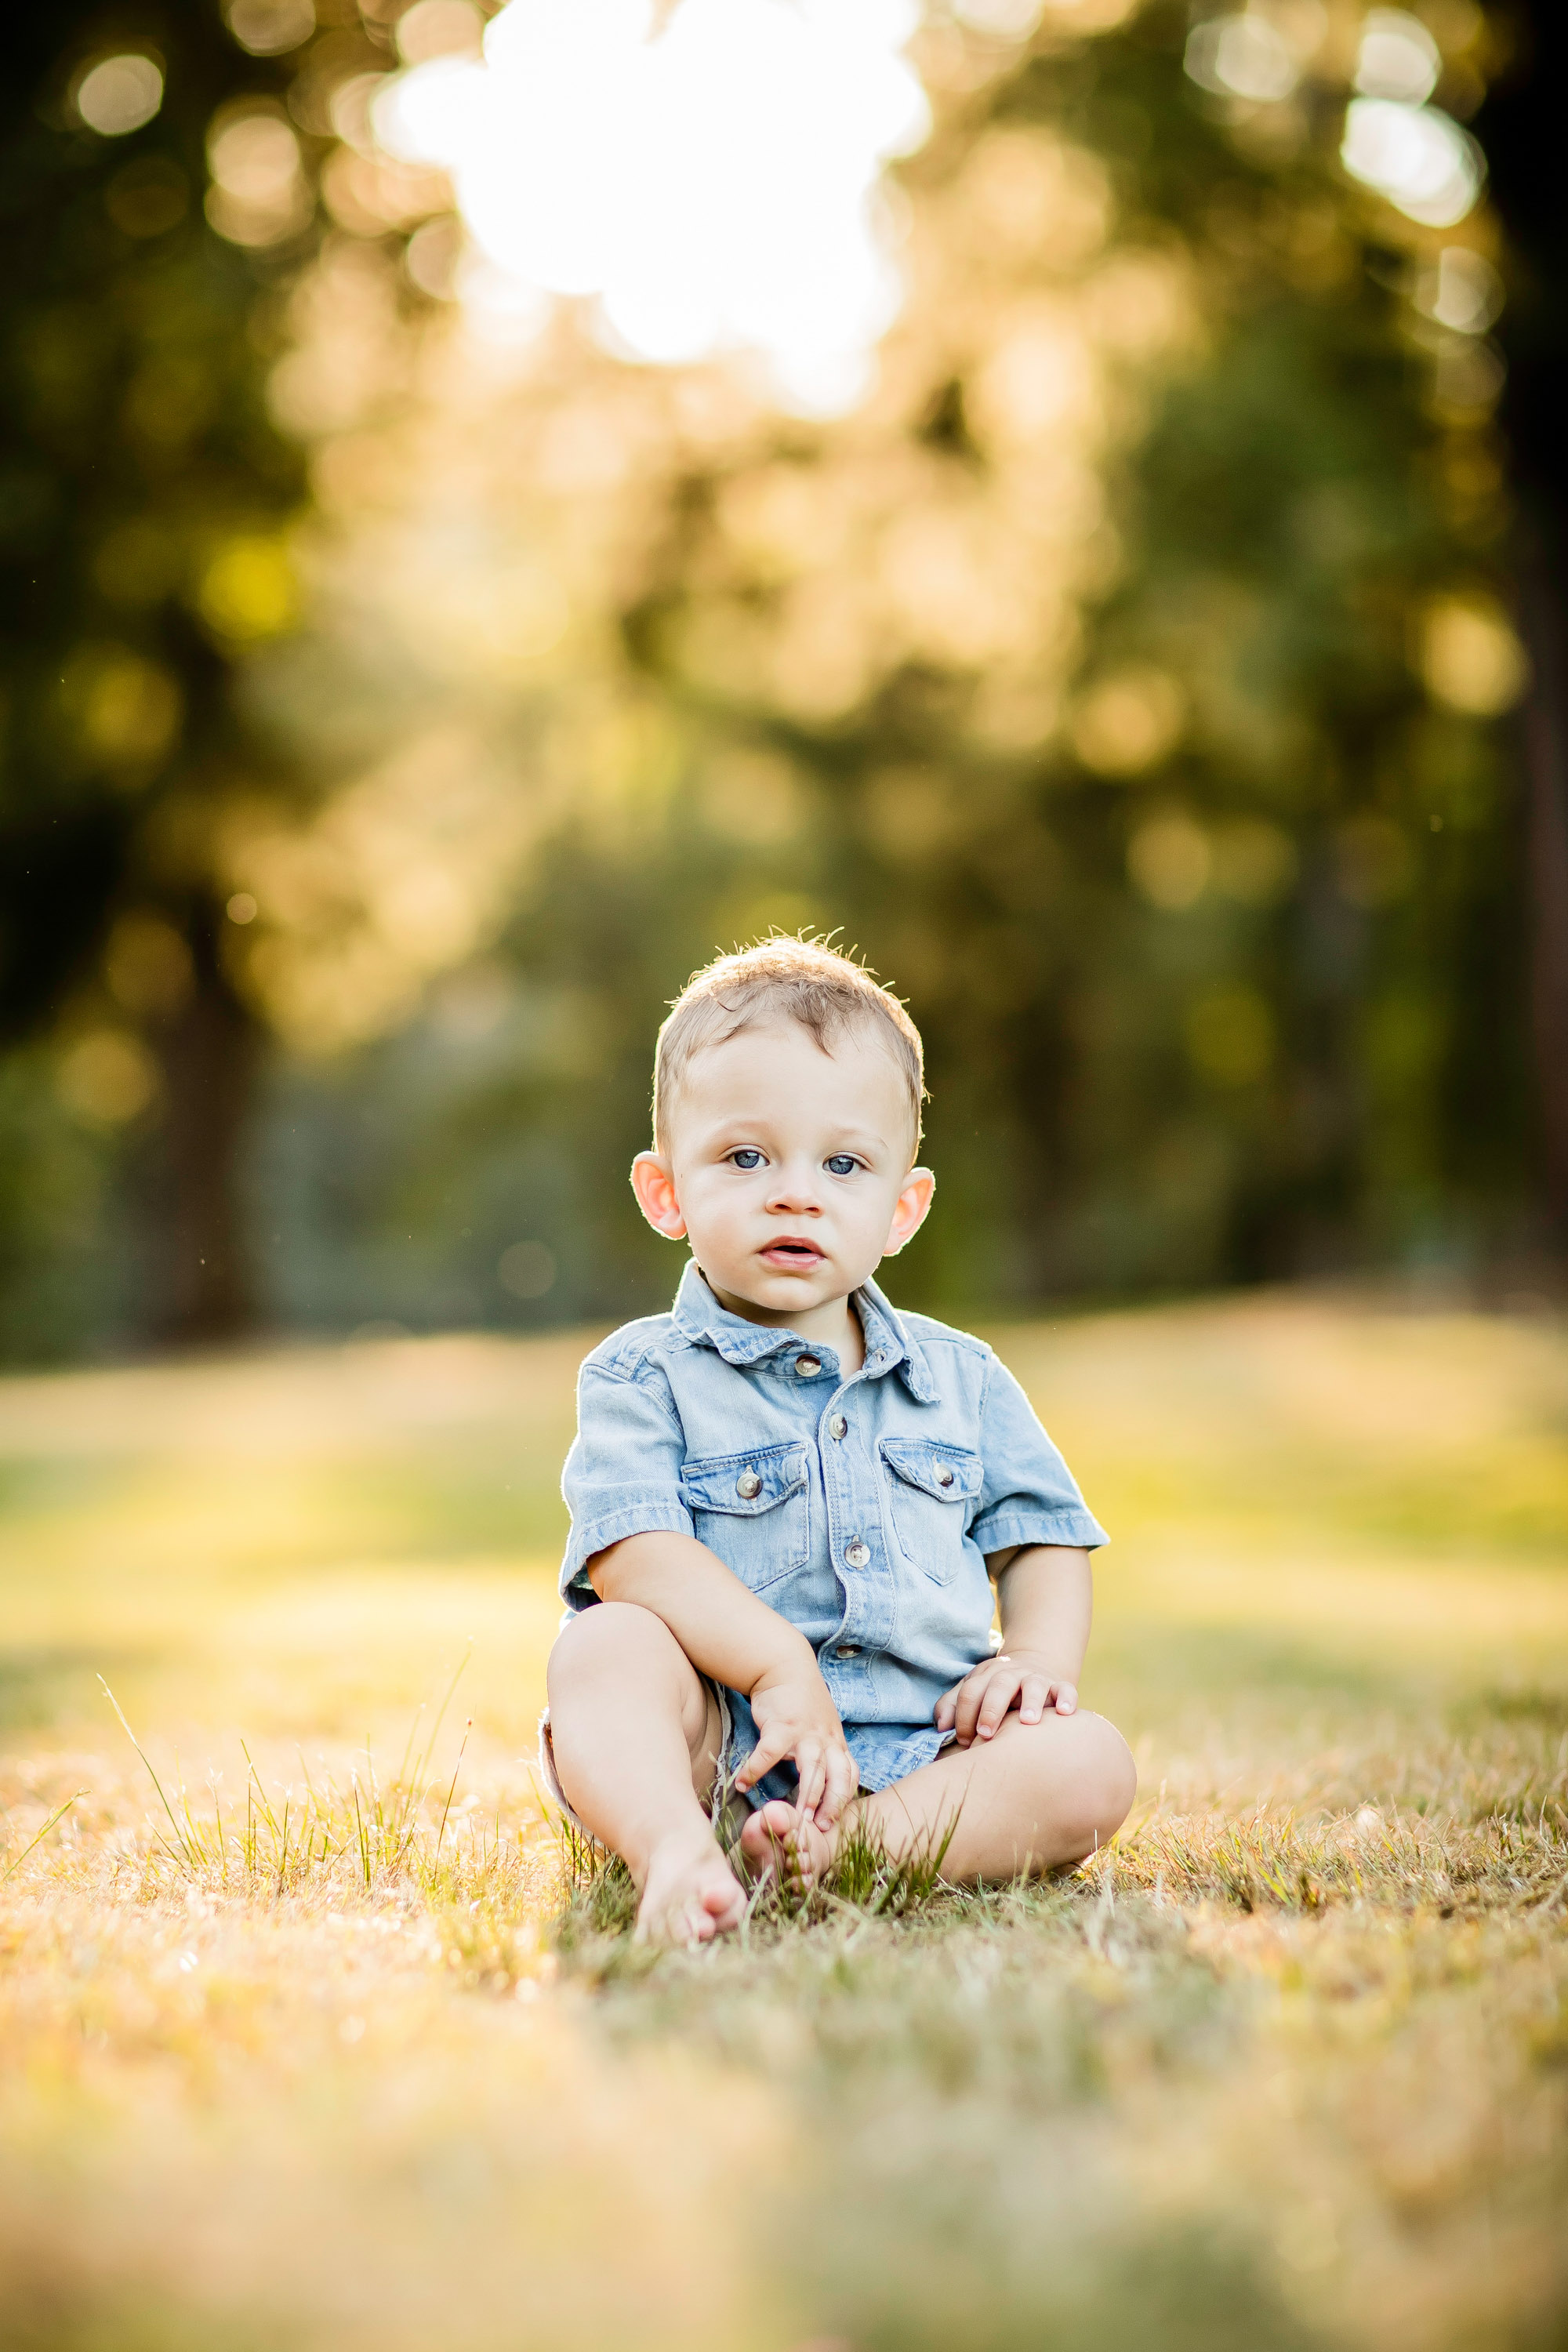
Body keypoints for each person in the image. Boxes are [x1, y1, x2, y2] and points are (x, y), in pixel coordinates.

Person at [542, 936, 1136, 1944]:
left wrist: (1031, 1657)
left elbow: (1041, 1534)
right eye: (744, 1157)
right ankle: (675, 1850)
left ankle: (860, 1843)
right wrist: (778, 1668)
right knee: (604, 1644)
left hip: (925, 1753)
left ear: (901, 1209)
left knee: (1091, 1760)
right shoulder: (640, 1376)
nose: (794, 1192)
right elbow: (631, 1553)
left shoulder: (961, 1378)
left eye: (844, 1163)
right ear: (664, 1193)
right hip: (708, 1747)